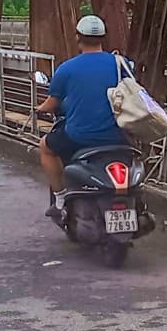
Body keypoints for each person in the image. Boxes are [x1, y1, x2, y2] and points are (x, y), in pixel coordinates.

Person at [36, 15, 130, 220]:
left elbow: (52, 103)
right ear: (103, 37)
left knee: (45, 146)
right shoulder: (121, 64)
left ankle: (60, 197)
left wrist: (39, 108)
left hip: (80, 136)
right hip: (118, 135)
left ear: (78, 37)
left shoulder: (67, 68)